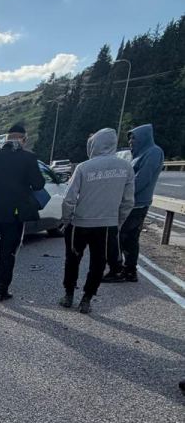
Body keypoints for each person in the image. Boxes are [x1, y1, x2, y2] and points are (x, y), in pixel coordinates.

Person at [60, 127, 134, 314]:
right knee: (99, 263)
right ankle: (87, 299)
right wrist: (117, 222)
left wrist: (67, 220)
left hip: (80, 223)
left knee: (72, 259)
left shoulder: (83, 167)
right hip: (107, 225)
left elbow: (69, 199)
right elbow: (128, 201)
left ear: (93, 145)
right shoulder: (126, 167)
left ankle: (68, 295)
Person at [0, 122, 45, 302]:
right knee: (7, 253)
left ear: (6, 138)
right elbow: (38, 184)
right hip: (14, 214)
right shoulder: (28, 158)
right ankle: (1, 291)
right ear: (23, 139)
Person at [105, 123, 164, 282]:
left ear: (143, 138)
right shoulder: (139, 154)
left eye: (134, 139)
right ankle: (128, 271)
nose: (131, 142)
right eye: (130, 139)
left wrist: (120, 194)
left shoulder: (153, 153)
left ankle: (121, 270)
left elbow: (141, 181)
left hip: (136, 204)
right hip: (131, 203)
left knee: (122, 237)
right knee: (128, 238)